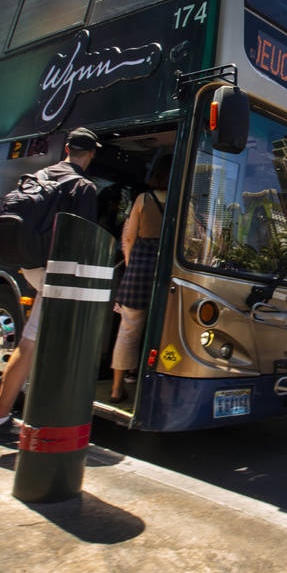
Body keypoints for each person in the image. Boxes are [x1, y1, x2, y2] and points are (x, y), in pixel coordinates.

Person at [0, 127, 100, 444]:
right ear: (92, 154)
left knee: (33, 342)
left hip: (31, 266)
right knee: (39, 345)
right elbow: (82, 238)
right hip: (59, 274)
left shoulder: (40, 175)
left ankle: (2, 418)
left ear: (67, 148)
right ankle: (6, 420)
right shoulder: (82, 186)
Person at [109, 154, 172, 403]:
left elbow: (128, 238)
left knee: (128, 329)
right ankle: (145, 380)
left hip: (139, 270)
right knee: (159, 328)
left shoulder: (143, 200)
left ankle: (116, 388)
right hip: (167, 272)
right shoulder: (181, 202)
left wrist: (131, 265)